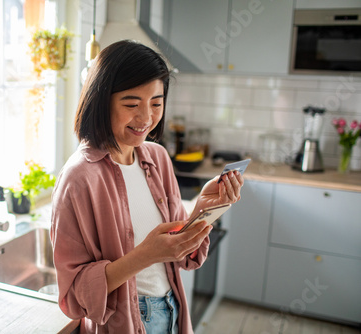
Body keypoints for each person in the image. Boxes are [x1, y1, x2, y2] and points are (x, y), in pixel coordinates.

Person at [50, 40, 244, 333]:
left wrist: (204, 208)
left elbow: (180, 254)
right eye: (131, 105)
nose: (146, 118)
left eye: (156, 103)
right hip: (125, 322)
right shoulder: (79, 179)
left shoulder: (158, 157)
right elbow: (75, 296)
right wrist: (145, 255)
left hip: (172, 310)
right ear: (101, 101)